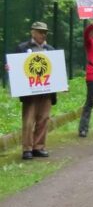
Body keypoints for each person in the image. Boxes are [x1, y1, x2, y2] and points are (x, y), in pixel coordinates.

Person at [10, 22, 57, 160]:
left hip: (46, 91)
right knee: (29, 120)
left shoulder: (50, 50)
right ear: (32, 32)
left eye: (45, 32)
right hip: (29, 92)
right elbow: (15, 67)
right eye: (40, 31)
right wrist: (10, 67)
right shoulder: (22, 48)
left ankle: (39, 147)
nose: (43, 35)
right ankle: (27, 149)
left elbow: (56, 70)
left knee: (43, 119)